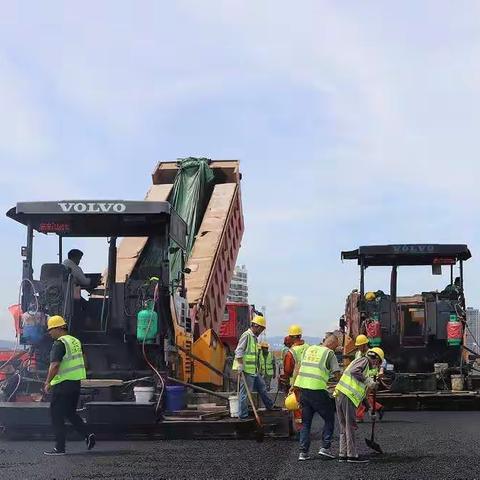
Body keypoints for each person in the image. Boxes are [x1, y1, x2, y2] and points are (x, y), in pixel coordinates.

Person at [43, 315, 95, 455]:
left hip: (62, 385)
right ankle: (88, 434)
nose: (49, 332)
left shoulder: (59, 343)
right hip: (75, 384)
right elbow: (84, 361)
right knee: (70, 413)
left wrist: (48, 382)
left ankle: (59, 448)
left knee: (56, 415)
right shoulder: (76, 341)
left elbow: (54, 365)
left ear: (59, 328)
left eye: (51, 329)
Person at [293, 334, 341, 461]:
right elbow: (336, 374)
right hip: (318, 391)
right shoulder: (329, 353)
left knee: (306, 423)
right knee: (329, 418)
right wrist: (342, 382)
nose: (335, 349)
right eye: (336, 347)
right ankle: (325, 448)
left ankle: (303, 453)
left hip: (304, 390)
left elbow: (298, 368)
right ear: (333, 344)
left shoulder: (309, 349)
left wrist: (294, 387)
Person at [334, 347, 384, 464]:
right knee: (350, 425)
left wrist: (370, 409)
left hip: (341, 394)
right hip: (347, 395)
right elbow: (354, 371)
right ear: (376, 359)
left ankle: (343, 453)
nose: (377, 365)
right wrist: (368, 381)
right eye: (379, 362)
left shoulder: (363, 365)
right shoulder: (364, 361)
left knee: (344, 426)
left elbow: (362, 394)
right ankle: (352, 455)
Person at [233, 315, 275, 419]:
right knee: (245, 393)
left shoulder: (254, 338)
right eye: (261, 329)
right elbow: (239, 350)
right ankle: (242, 415)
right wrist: (240, 365)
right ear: (256, 326)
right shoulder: (246, 335)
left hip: (254, 371)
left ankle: (270, 406)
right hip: (247, 371)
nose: (261, 331)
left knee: (262, 388)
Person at [280, 325, 309, 430]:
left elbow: (287, 370)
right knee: (308, 406)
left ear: (291, 337)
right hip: (310, 382)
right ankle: (307, 426)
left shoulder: (291, 352)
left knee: (298, 407)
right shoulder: (308, 348)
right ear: (300, 336)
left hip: (297, 384)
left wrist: (285, 380)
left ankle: (301, 429)